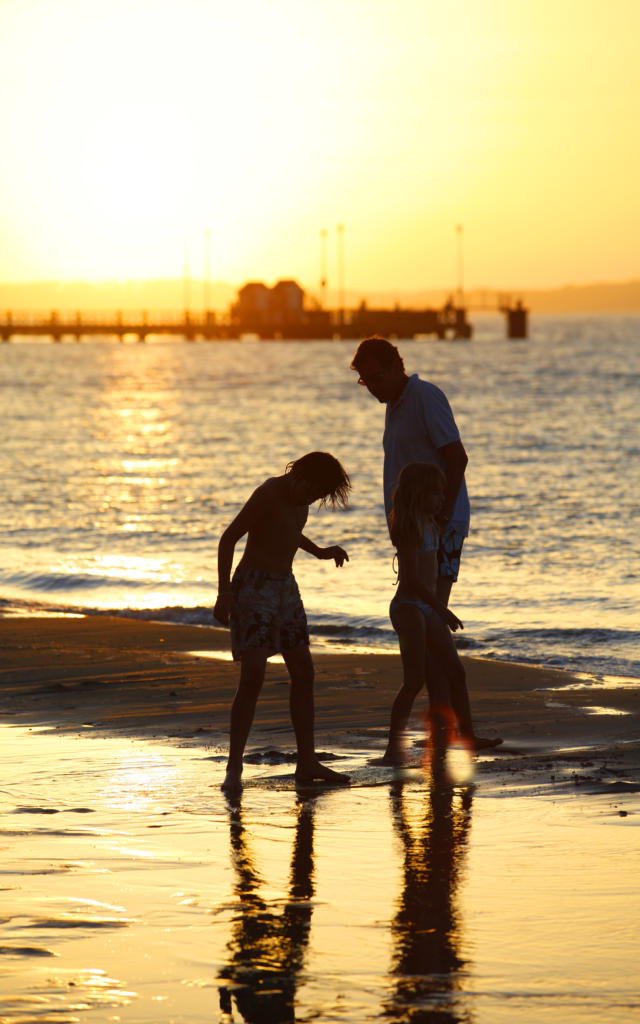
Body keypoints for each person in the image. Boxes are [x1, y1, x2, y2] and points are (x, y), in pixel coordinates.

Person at [351, 335, 500, 751]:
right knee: (428, 635)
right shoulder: (395, 407)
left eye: (376, 378)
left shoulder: (424, 397)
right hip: (415, 529)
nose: (372, 388)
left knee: (434, 632)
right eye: (365, 383)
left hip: (440, 528)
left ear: (396, 366)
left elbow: (457, 457)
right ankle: (446, 730)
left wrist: (441, 515)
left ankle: (453, 731)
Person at [213, 451, 352, 792]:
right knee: (254, 676)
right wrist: (223, 593)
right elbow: (229, 538)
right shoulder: (269, 492)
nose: (311, 499)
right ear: (298, 473)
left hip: (285, 589)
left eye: (318, 496)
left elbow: (289, 531)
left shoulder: (301, 501)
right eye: (311, 490)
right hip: (254, 588)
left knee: (304, 672)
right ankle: (234, 767)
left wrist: (320, 551)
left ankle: (307, 763)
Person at [383, 462, 472, 763]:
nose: (441, 499)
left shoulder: (433, 525)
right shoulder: (408, 528)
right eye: (435, 493)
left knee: (455, 672)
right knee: (414, 680)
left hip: (428, 607)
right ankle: (392, 749)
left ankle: (468, 736)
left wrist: (437, 609)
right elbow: (410, 580)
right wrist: (441, 610)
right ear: (419, 493)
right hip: (408, 607)